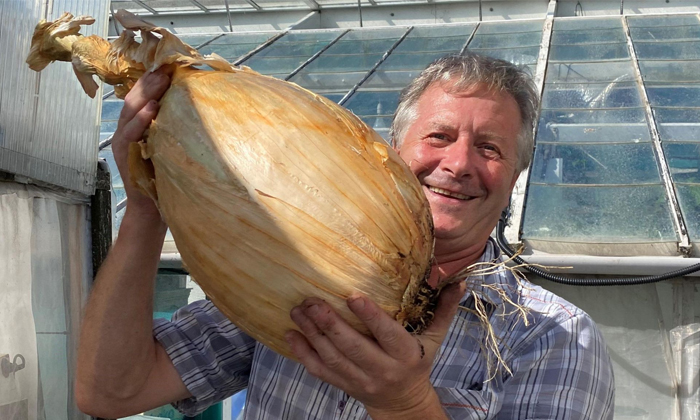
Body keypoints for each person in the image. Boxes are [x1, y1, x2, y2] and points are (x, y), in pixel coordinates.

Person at [76, 53, 615, 419]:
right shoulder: (287, 265)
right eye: (439, 136)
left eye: (490, 149)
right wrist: (147, 212)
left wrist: (405, 404)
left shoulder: (555, 338)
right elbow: (111, 390)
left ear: (516, 175)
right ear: (389, 153)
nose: (458, 164)